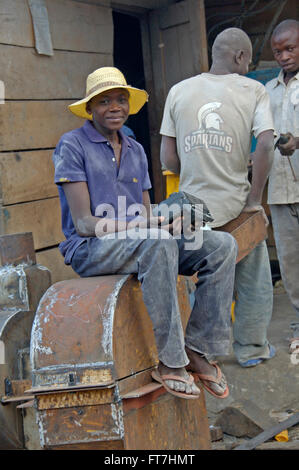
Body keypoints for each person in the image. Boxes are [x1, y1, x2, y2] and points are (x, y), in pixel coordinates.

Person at [52, 66, 237, 399]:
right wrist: (147, 227)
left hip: (143, 240)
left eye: (121, 100)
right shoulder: (72, 145)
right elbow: (83, 223)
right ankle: (170, 362)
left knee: (221, 244)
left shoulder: (134, 148)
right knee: (158, 242)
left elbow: (147, 212)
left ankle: (198, 349)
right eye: (104, 101)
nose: (115, 107)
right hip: (91, 247)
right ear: (90, 108)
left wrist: (173, 218)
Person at [160, 28, 276, 368]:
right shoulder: (254, 89)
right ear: (240, 57)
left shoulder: (179, 91)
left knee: (199, 274)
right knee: (253, 274)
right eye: (249, 59)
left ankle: (202, 351)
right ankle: (252, 349)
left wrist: (196, 168)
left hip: (192, 207)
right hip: (236, 204)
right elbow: (266, 144)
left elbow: (168, 159)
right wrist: (254, 199)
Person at [265, 19, 299, 354]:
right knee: (290, 264)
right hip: (280, 188)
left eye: (290, 49)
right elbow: (264, 135)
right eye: (278, 51)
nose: (284, 57)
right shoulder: (268, 90)